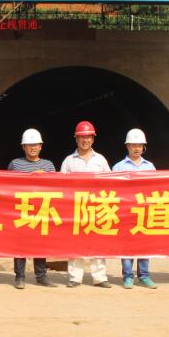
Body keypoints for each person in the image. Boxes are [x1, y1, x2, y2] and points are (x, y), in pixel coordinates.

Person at [61, 121, 112, 288]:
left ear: (93, 139)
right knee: (76, 242)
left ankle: (100, 277)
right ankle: (75, 277)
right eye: (82, 137)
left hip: (97, 207)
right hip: (76, 208)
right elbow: (60, 185)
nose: (85, 140)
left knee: (98, 242)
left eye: (88, 137)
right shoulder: (69, 161)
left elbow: (111, 183)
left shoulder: (101, 160)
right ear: (76, 139)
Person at [7, 128, 58, 289]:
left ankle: (41, 276)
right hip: (22, 210)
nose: (33, 147)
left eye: (35, 144)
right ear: (23, 147)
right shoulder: (15, 164)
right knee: (20, 244)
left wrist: (43, 177)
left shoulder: (48, 165)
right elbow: (8, 185)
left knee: (40, 244)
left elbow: (56, 187)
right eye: (29, 145)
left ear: (41, 146)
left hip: (42, 210)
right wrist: (31, 177)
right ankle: (20, 276)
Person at [112, 128, 158, 289]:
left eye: (139, 145)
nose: (136, 148)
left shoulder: (150, 167)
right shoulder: (118, 167)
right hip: (126, 212)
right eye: (133, 145)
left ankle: (144, 276)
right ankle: (127, 276)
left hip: (145, 211)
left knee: (144, 244)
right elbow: (113, 190)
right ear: (127, 146)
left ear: (143, 147)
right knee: (127, 245)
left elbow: (156, 188)